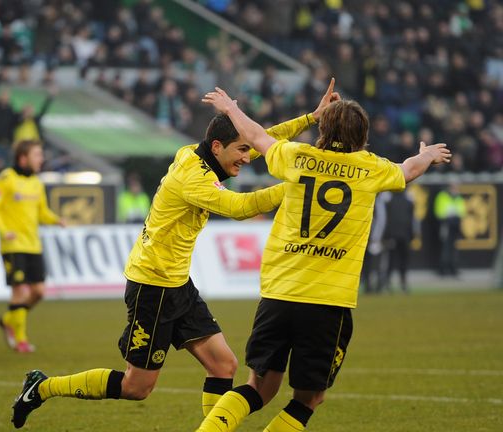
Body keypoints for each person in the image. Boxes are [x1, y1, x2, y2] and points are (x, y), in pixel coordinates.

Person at [8, 85, 342, 429]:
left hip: (177, 282)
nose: (247, 156)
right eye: (241, 150)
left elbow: (260, 139)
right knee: (136, 387)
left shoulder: (199, 154)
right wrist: (300, 185)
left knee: (223, 366)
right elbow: (240, 207)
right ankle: (42, 387)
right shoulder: (193, 178)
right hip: (152, 286)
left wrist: (311, 119)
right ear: (217, 147)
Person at [196, 81, 451, 432]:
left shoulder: (295, 157)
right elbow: (408, 169)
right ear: (362, 135)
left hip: (279, 294)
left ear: (323, 130)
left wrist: (230, 108)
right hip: (328, 300)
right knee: (309, 398)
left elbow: (255, 135)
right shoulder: (371, 169)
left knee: (259, 387)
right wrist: (427, 154)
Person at [0, 139, 64, 353]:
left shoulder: (36, 183)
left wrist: (56, 219)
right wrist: (3, 230)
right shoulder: (6, 179)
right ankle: (21, 339)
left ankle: (9, 319)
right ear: (23, 158)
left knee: (38, 292)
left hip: (33, 245)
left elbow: (42, 212)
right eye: (37, 155)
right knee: (20, 291)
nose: (41, 159)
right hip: (12, 245)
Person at [384, 190, 417, 292]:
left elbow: (386, 221)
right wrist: (412, 235)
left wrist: (386, 236)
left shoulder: (389, 203)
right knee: (404, 261)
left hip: (392, 236)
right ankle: (403, 283)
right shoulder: (409, 203)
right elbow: (412, 221)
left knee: (391, 261)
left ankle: (388, 283)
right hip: (405, 236)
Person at [434, 183, 466, 277]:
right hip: (446, 225)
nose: (455, 190)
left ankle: (453, 268)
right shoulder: (442, 196)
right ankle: (443, 269)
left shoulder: (458, 198)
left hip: (455, 226)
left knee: (454, 247)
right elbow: (439, 212)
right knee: (445, 247)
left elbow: (462, 211)